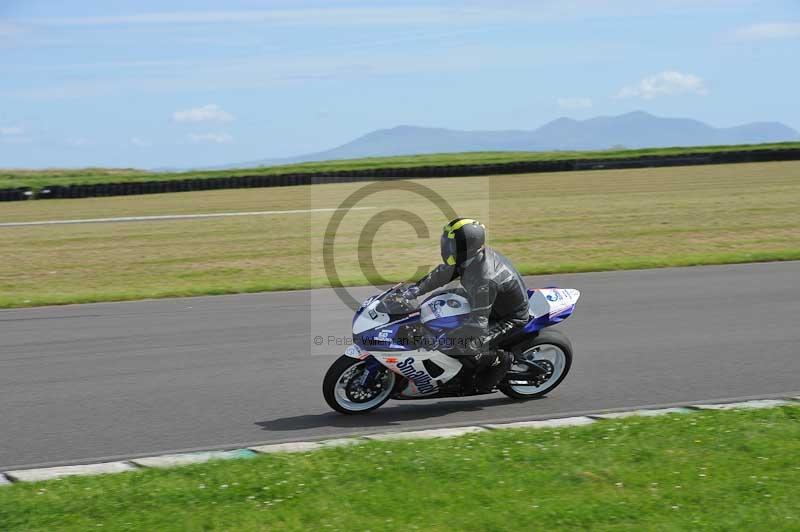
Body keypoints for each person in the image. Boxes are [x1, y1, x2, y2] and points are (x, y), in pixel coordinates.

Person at [403, 218, 530, 393]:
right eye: (446, 241)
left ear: (467, 246)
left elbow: (477, 324)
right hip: (483, 301)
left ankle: (502, 359)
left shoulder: (484, 278)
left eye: (451, 243)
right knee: (438, 298)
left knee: (462, 345)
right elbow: (442, 274)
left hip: (507, 317)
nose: (446, 246)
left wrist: (444, 339)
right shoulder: (469, 258)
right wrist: (412, 291)